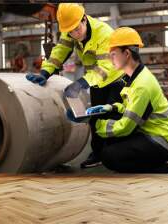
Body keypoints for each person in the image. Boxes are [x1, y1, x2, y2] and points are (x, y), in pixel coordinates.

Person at [26, 3, 125, 168]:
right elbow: (60, 52)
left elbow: (107, 67)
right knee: (96, 118)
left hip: (115, 79)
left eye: (77, 29)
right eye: (70, 31)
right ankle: (99, 154)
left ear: (84, 19)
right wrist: (45, 72)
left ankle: (118, 152)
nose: (74, 34)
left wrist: (83, 82)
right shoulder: (70, 30)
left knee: (113, 116)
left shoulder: (104, 33)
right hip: (96, 80)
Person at [85, 27, 168, 173]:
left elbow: (126, 126)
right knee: (111, 143)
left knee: (109, 156)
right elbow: (131, 108)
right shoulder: (134, 77)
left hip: (162, 140)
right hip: (150, 131)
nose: (110, 59)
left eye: (113, 54)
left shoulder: (142, 84)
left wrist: (97, 124)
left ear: (127, 53)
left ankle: (161, 169)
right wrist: (111, 108)